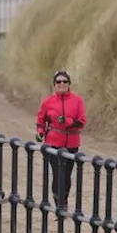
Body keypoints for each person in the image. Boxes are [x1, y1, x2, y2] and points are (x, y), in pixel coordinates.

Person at [35, 69, 87, 210]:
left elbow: (82, 121)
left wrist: (68, 121)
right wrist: (40, 132)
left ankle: (63, 200)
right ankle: (59, 204)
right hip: (53, 143)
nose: (62, 84)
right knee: (58, 174)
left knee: (67, 175)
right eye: (58, 82)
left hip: (72, 143)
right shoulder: (48, 102)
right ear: (54, 85)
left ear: (69, 84)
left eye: (65, 81)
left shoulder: (78, 101)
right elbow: (40, 120)